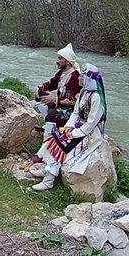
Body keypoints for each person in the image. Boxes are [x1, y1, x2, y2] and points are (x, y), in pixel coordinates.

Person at [29, 63, 108, 191]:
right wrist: (68, 126)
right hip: (78, 127)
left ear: (88, 79)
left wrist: (75, 133)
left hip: (90, 133)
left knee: (63, 145)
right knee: (54, 138)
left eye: (82, 77)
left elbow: (91, 123)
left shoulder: (96, 98)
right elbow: (76, 113)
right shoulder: (84, 93)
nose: (79, 79)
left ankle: (49, 180)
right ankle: (47, 170)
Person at [34, 43, 81, 128]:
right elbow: (52, 83)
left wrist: (55, 99)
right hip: (59, 104)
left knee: (53, 113)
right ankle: (47, 120)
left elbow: (73, 101)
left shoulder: (75, 76)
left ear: (67, 61)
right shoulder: (61, 73)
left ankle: (49, 128)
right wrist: (41, 87)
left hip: (70, 110)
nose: (57, 61)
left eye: (60, 59)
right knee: (40, 93)